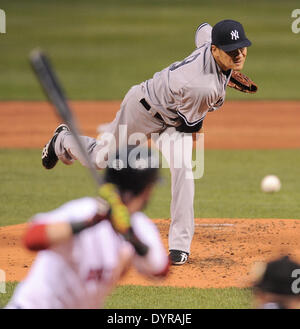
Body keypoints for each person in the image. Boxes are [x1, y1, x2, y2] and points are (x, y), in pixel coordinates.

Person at [41, 19, 252, 265]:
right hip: (141, 111)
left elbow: (203, 28)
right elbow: (191, 129)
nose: (239, 54)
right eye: (231, 51)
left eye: (242, 47)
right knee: (101, 159)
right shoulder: (202, 88)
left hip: (171, 119)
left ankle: (179, 246)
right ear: (214, 50)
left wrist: (226, 73)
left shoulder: (211, 42)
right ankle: (63, 140)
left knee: (184, 168)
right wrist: (220, 84)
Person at [6, 146, 169, 309]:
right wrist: (89, 222)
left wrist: (131, 236)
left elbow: (160, 269)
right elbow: (31, 238)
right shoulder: (83, 211)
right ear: (146, 190)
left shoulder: (138, 226)